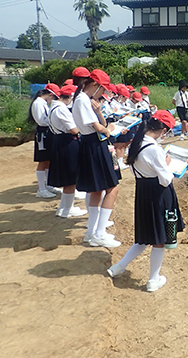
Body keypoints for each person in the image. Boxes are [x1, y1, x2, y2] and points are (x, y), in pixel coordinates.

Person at [108, 110, 187, 292]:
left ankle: (118, 267)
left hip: (143, 191)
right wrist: (167, 164)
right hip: (158, 194)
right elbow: (165, 179)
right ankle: (153, 279)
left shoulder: (137, 143)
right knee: (159, 238)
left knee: (145, 236)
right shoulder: (154, 150)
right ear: (162, 130)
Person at [72, 69, 123, 248]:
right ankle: (99, 233)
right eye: (103, 89)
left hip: (93, 144)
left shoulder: (85, 100)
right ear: (94, 85)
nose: (104, 93)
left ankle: (91, 231)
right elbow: (97, 127)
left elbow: (98, 123)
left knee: (96, 190)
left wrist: (100, 113)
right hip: (95, 144)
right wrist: (109, 130)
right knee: (112, 188)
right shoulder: (82, 100)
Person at [48, 84, 87, 218]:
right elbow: (74, 129)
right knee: (70, 178)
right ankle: (68, 209)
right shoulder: (61, 109)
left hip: (60, 141)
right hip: (67, 142)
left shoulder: (53, 107)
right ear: (70, 96)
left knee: (67, 177)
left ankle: (63, 207)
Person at [29, 83, 61, 198]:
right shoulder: (38, 103)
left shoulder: (43, 103)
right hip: (43, 133)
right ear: (50, 94)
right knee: (43, 160)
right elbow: (42, 120)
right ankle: (41, 189)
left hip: (48, 132)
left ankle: (49, 184)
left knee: (48, 160)